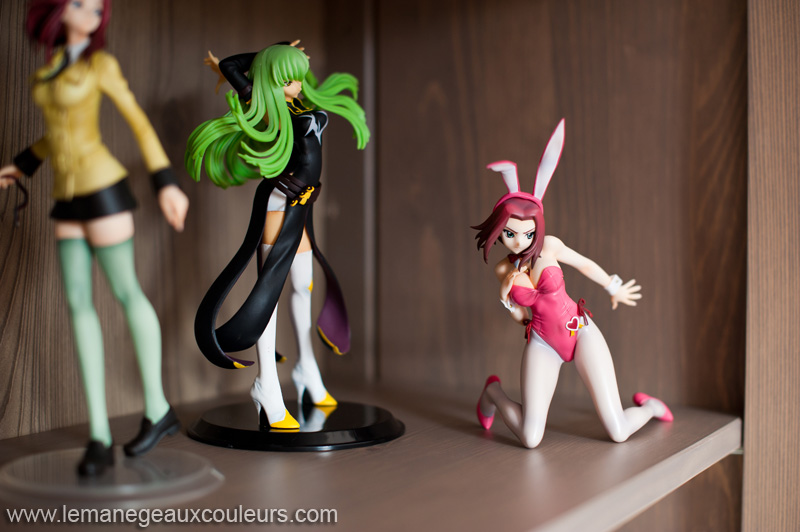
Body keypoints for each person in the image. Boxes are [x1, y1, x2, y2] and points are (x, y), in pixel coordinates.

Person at [0, 0, 189, 475]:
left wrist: (165, 181)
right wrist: (22, 164)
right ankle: (99, 435)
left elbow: (138, 121)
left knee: (126, 292)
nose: (90, 15)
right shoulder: (49, 70)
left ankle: (157, 407)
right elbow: (56, 132)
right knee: (77, 304)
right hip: (65, 195)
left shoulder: (100, 65)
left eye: (97, 9)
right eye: (81, 4)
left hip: (103, 189)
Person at [186, 42, 369, 430]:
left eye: (298, 77)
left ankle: (306, 367)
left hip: (302, 206)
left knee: (303, 284)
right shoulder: (266, 105)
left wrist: (284, 56)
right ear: (271, 79)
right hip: (279, 204)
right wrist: (267, 58)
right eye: (288, 79)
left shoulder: (301, 105)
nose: (297, 84)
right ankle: (266, 384)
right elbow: (232, 65)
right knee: (267, 292)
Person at [472, 120, 671, 449]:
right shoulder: (504, 269)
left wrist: (612, 286)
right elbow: (522, 318)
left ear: (538, 227)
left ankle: (649, 407)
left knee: (618, 431)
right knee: (530, 438)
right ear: (498, 229)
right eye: (509, 233)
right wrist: (507, 298)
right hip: (542, 342)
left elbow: (584, 264)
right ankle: (493, 392)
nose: (519, 241)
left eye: (527, 232)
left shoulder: (549, 246)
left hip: (579, 331)